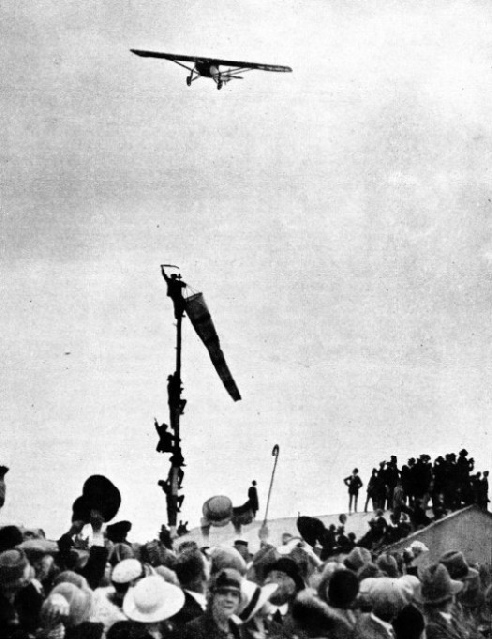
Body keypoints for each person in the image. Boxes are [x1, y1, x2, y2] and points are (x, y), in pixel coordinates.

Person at [179, 568, 243, 639]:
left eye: (234, 595)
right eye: (223, 593)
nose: (229, 599)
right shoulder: (193, 631)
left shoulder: (238, 631)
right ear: (212, 596)